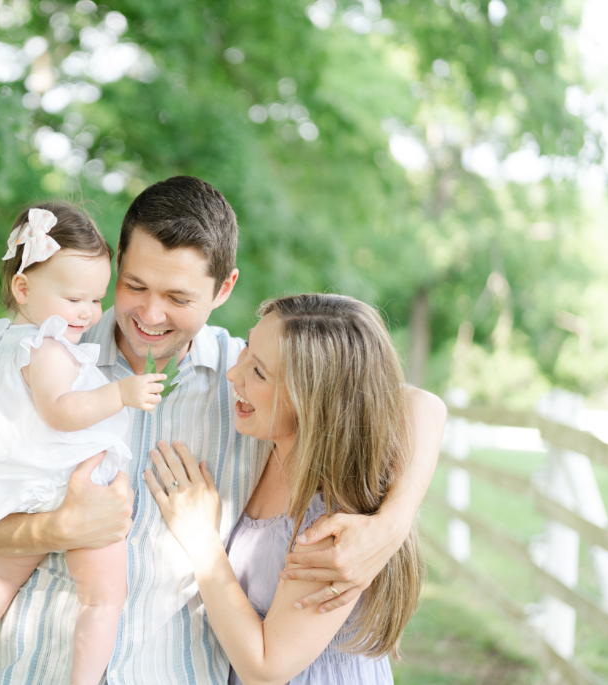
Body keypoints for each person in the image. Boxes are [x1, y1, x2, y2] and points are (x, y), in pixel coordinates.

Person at [0, 176, 447, 684]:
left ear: (223, 288)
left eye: (178, 296)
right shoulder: (45, 357)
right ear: (117, 261)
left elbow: (405, 402)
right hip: (42, 670)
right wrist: (58, 529)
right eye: (135, 285)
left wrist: (392, 524)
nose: (150, 314)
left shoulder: (251, 380)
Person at [145, 293, 423, 685]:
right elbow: (422, 403)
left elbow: (265, 667)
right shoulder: (267, 444)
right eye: (246, 350)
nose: (233, 375)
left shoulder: (332, 525)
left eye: (258, 373)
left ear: (313, 401)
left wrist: (200, 539)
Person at [0, 203, 167, 684]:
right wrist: (120, 393)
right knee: (103, 595)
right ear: (22, 287)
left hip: (18, 490)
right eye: (75, 300)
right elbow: (61, 413)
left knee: (3, 574)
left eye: (96, 299)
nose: (89, 313)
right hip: (64, 487)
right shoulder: (48, 347)